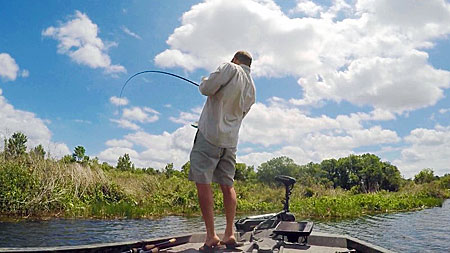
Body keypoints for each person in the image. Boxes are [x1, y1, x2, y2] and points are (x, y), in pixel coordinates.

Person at [189, 51, 256, 252]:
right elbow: (241, 114)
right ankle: (229, 233)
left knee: (203, 182)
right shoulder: (252, 88)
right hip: (230, 141)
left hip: (210, 135)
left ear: (235, 59)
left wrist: (203, 81)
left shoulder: (229, 68)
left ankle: (211, 236)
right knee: (227, 185)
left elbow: (206, 88)